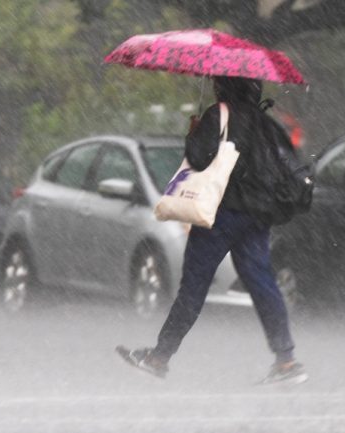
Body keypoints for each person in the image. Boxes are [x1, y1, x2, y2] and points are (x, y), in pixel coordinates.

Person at [117, 76, 307, 385]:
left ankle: (159, 357)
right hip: (256, 217)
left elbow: (198, 158)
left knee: (193, 288)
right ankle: (286, 361)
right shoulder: (266, 124)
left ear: (223, 87)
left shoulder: (217, 115)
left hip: (220, 214)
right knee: (263, 285)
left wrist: (194, 134)